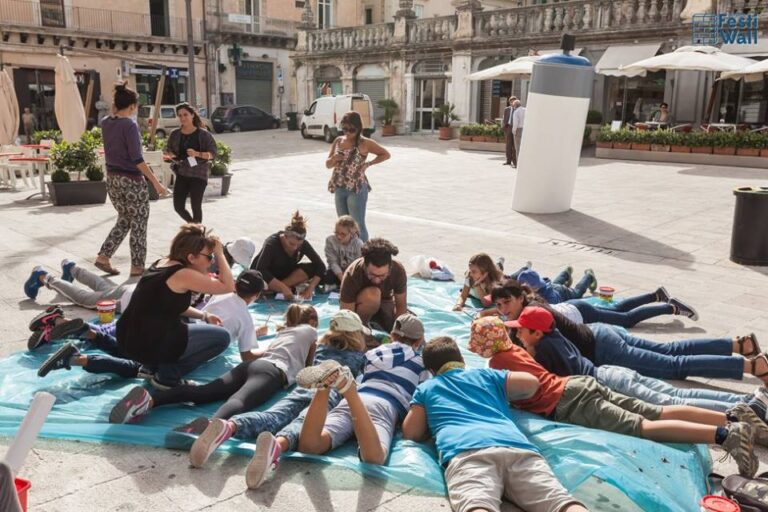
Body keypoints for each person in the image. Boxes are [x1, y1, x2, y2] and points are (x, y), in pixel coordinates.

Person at [468, 316, 761, 478]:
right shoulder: (515, 349)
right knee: (655, 411)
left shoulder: (497, 363)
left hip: (569, 401)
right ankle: (732, 416)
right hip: (580, 384)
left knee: (643, 426)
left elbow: (522, 387)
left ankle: (725, 435)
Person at [402, 336, 588, 512]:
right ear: (461, 360)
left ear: (431, 371)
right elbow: (531, 383)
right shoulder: (486, 376)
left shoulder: (426, 388)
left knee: (477, 504)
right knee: (560, 502)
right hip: (517, 449)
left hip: (466, 452)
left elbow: (412, 433)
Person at [244, 313, 428, 489]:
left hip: (357, 396)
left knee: (310, 446)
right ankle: (350, 391)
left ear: (392, 335)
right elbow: (422, 396)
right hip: (385, 404)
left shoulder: (373, 354)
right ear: (419, 341)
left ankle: (325, 389)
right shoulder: (421, 362)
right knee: (374, 456)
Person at [37, 224, 234, 388]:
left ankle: (88, 333)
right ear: (191, 257)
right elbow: (228, 286)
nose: (211, 263)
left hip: (126, 336)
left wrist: (204, 315)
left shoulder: (162, 263)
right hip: (147, 345)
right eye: (209, 257)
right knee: (222, 337)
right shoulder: (184, 274)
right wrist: (219, 251)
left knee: (148, 349)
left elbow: (172, 305)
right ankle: (167, 376)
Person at [185, 309, 368, 469]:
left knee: (273, 415)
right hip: (328, 395)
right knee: (302, 423)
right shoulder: (360, 357)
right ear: (356, 334)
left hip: (304, 388)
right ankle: (278, 445)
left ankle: (229, 426)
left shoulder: (322, 347)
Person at [109, 304, 319, 424]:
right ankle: (209, 429)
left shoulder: (283, 333)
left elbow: (261, 354)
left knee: (204, 392)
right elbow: (308, 369)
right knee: (240, 401)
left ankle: (150, 400)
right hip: (272, 372)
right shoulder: (311, 332)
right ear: (311, 322)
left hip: (253, 366)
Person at [96, 82, 168, 277]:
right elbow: (137, 159)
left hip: (112, 179)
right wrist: (157, 183)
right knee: (139, 223)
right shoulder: (129, 125)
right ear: (132, 106)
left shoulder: (105, 123)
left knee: (125, 219)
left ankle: (103, 256)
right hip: (131, 180)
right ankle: (137, 266)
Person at [326, 111, 391, 242]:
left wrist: (369, 164)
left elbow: (385, 154)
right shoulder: (338, 141)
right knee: (343, 225)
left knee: (357, 224)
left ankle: (364, 254)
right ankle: (347, 253)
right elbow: (327, 164)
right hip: (339, 186)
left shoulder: (365, 143)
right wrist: (334, 158)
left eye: (351, 129)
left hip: (356, 188)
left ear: (359, 128)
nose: (347, 132)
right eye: (344, 128)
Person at [250, 211, 326, 300]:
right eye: (291, 244)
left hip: (285, 275)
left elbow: (321, 266)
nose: (295, 248)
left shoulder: (303, 245)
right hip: (268, 275)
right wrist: (282, 287)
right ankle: (276, 288)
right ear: (285, 236)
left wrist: (311, 287)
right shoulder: (272, 243)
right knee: (258, 278)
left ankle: (275, 289)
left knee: (312, 268)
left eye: (298, 245)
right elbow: (260, 268)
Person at [165, 103, 218, 224]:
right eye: (180, 115)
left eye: (185, 114)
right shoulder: (175, 134)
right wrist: (170, 154)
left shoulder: (204, 134)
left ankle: (197, 234)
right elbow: (168, 149)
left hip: (198, 173)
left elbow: (213, 154)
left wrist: (197, 154)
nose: (182, 118)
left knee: (196, 206)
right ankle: (194, 227)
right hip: (182, 172)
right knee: (178, 207)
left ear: (193, 115)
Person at [340, 238, 407, 332]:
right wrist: (356, 335)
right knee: (373, 295)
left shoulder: (398, 270)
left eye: (382, 275)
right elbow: (346, 314)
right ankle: (362, 327)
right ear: (365, 265)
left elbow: (401, 307)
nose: (376, 280)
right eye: (372, 275)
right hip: (361, 307)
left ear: (390, 267)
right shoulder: (352, 274)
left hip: (386, 302)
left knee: (409, 327)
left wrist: (397, 333)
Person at [200, 270, 268, 362]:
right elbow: (247, 357)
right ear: (257, 295)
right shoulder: (245, 319)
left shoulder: (220, 294)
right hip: (203, 355)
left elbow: (225, 322)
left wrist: (253, 333)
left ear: (235, 285)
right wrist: (272, 351)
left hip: (192, 335)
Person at [323, 215, 364, 290]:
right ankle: (339, 284)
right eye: (336, 233)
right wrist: (342, 279)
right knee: (325, 276)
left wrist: (347, 278)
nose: (338, 236)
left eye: (343, 234)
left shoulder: (358, 244)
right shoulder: (330, 240)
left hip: (352, 272)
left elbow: (359, 265)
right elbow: (332, 262)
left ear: (351, 234)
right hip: (337, 272)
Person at [516, 268, 596, 304]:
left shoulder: (550, 299)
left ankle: (589, 276)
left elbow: (555, 307)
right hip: (552, 286)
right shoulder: (539, 287)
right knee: (555, 283)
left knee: (577, 292)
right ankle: (565, 273)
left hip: (563, 293)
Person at [501, 96, 518, 167]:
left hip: (515, 128)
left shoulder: (518, 109)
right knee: (508, 145)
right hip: (508, 128)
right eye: (511, 101)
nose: (512, 103)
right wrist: (504, 128)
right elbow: (504, 119)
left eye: (514, 101)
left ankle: (515, 162)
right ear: (509, 102)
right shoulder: (506, 109)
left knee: (514, 145)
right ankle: (508, 161)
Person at [511, 99, 526, 164]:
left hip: (518, 130)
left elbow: (515, 123)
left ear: (515, 106)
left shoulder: (516, 112)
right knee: (525, 147)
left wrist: (514, 131)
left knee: (518, 147)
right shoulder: (526, 110)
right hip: (525, 129)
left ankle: (519, 164)